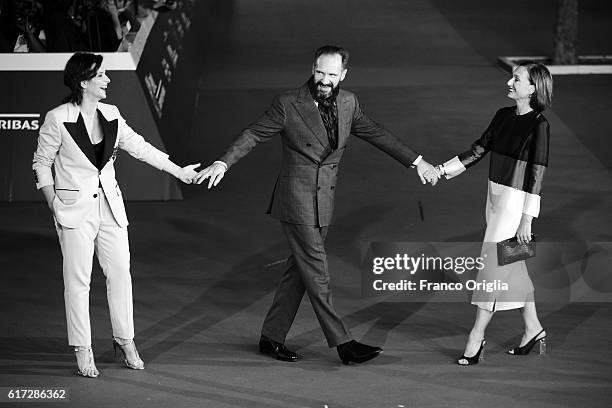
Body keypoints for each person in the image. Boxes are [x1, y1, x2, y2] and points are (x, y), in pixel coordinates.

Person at [194, 45, 439, 365]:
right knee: (317, 271)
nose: (324, 80)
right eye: (320, 72)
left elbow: (377, 133)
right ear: (313, 69)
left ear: (343, 75)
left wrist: (417, 162)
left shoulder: (349, 102)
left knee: (299, 272)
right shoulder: (287, 104)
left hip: (324, 199)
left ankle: (272, 336)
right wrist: (223, 163)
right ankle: (343, 343)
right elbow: (253, 134)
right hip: (296, 199)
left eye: (332, 75)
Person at [32, 52, 199, 377]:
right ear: (84, 82)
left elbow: (139, 146)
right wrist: (53, 203)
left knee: (121, 273)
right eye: (101, 75)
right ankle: (83, 347)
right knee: (78, 282)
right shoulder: (57, 117)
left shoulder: (111, 113)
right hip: (74, 212)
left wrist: (179, 172)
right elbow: (41, 162)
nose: (107, 80)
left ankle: (125, 340)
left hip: (110, 208)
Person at [432, 61, 552, 365]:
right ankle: (534, 328)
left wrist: (527, 218)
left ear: (533, 88)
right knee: (513, 264)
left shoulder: (540, 126)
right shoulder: (502, 116)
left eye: (517, 79)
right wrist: (441, 170)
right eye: (512, 77)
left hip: (515, 204)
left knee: (491, 269)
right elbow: (478, 149)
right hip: (495, 196)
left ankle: (476, 337)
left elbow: (537, 174)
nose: (510, 83)